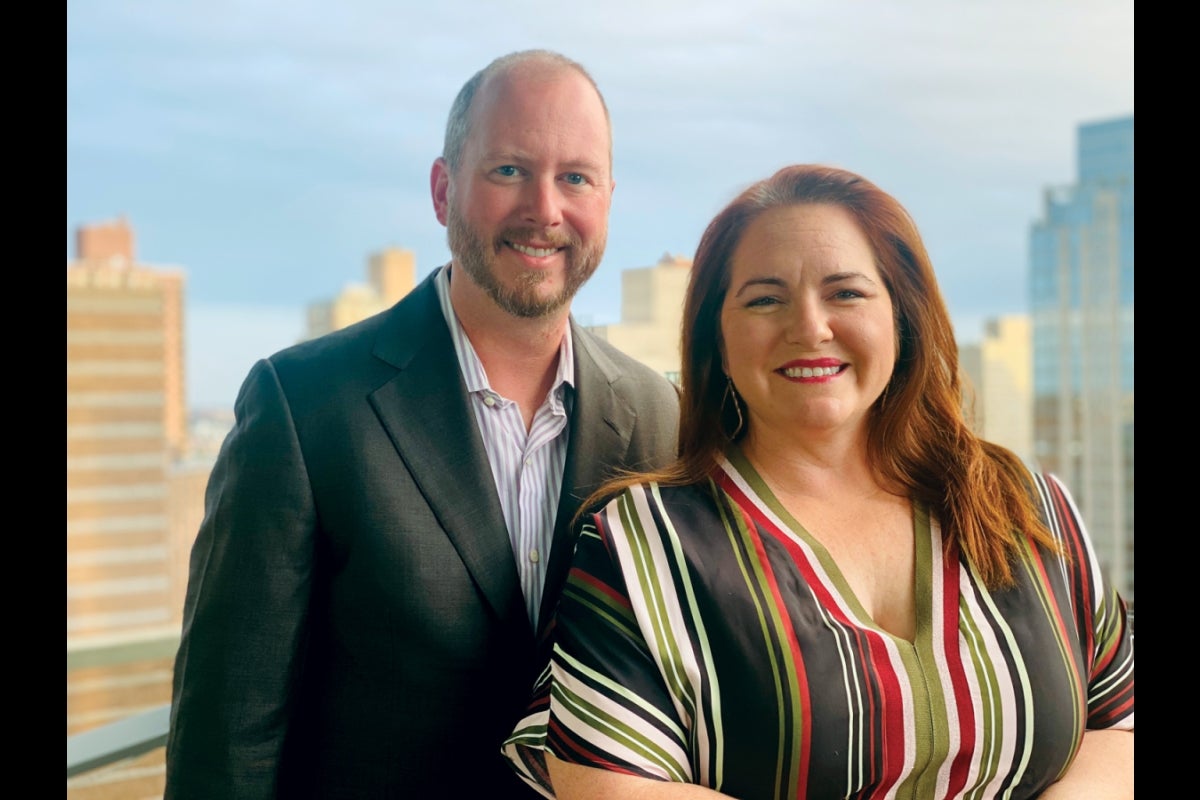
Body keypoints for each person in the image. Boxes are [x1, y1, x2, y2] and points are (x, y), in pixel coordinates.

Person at [502, 164, 1134, 799]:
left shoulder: (1027, 505)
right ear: (716, 338)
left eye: (847, 293)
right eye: (765, 299)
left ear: (902, 318)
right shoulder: (640, 544)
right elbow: (607, 785)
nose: (809, 327)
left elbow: (1121, 722)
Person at [164, 49, 681, 799]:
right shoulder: (303, 405)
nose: (545, 209)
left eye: (576, 177)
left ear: (607, 198)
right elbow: (227, 735)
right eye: (508, 170)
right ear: (443, 192)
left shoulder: (657, 417)